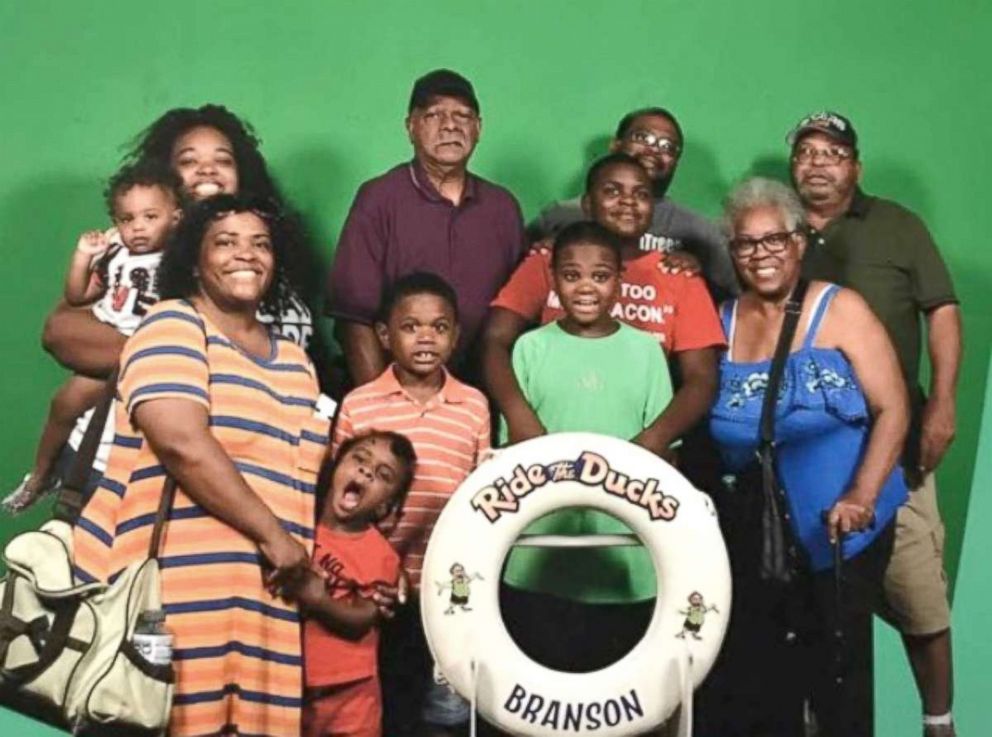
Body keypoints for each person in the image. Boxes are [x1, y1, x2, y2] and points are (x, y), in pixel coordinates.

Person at [72, 194, 327, 737]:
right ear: (192, 259)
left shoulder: (298, 365)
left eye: (260, 243)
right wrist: (274, 537)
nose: (247, 255)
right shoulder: (172, 324)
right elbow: (181, 442)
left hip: (265, 614)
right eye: (226, 242)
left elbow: (299, 485)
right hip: (171, 611)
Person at [705, 177, 909, 737]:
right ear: (733, 251)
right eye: (747, 243)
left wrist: (862, 495)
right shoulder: (718, 320)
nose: (762, 254)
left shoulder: (842, 309)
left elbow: (893, 408)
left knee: (837, 681)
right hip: (758, 536)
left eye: (775, 240)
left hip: (844, 530)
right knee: (762, 681)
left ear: (799, 243)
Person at [40, 104, 321, 500]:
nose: (207, 170)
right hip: (108, 464)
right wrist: (177, 363)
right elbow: (61, 331)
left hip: (220, 473)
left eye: (223, 160)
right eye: (189, 161)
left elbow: (278, 379)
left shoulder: (261, 258)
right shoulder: (131, 243)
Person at [789, 111, 962, 737]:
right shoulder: (776, 233)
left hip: (897, 437)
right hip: (806, 447)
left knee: (918, 595)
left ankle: (939, 722)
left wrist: (942, 403)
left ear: (855, 166)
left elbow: (941, 312)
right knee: (812, 600)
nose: (817, 162)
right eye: (806, 151)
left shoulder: (897, 226)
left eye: (832, 152)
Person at [496, 220, 674, 674]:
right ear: (553, 278)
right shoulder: (529, 349)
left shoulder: (646, 352)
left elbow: (665, 456)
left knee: (619, 696)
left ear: (620, 280)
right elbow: (511, 459)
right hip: (539, 556)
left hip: (627, 562)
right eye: (572, 275)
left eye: (600, 275)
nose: (586, 287)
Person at [332, 271, 491, 736]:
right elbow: (338, 506)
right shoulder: (360, 405)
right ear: (384, 335)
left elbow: (482, 500)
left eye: (439, 328)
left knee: (443, 716)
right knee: (379, 708)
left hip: (445, 593)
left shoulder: (474, 406)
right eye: (410, 326)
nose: (426, 338)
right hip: (372, 591)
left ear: (456, 336)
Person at [483, 153, 724, 457]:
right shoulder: (546, 262)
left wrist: (651, 442)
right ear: (587, 203)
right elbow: (495, 341)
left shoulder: (679, 275)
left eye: (641, 194)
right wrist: (519, 416)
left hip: (635, 443)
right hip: (546, 442)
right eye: (612, 191)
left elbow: (701, 379)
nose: (627, 202)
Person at [326, 69, 526, 386]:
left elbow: (518, 315)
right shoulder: (379, 198)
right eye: (434, 115)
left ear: (478, 128)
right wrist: (384, 407)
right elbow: (354, 318)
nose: (450, 125)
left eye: (463, 115)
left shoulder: (502, 207)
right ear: (411, 127)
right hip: (393, 388)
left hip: (479, 395)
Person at [4, 161, 182, 512]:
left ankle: (46, 475)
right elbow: (76, 296)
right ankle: (40, 475)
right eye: (127, 219)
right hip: (105, 347)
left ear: (176, 218)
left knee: (75, 404)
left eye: (150, 217)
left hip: (140, 353)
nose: (139, 228)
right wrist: (82, 257)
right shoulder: (116, 253)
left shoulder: (181, 258)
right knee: (63, 405)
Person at [528, 106, 736, 297]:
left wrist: (696, 274)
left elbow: (731, 299)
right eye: (642, 137)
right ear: (616, 144)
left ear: (676, 162)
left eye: (668, 146)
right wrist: (546, 256)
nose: (653, 150)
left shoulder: (699, 232)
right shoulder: (559, 217)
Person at [297, 431, 417, 737]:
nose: (365, 471)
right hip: (296, 689)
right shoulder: (297, 522)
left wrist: (319, 601)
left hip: (351, 698)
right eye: (359, 459)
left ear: (383, 507)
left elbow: (364, 619)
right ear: (335, 467)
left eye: (382, 475)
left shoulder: (379, 555)